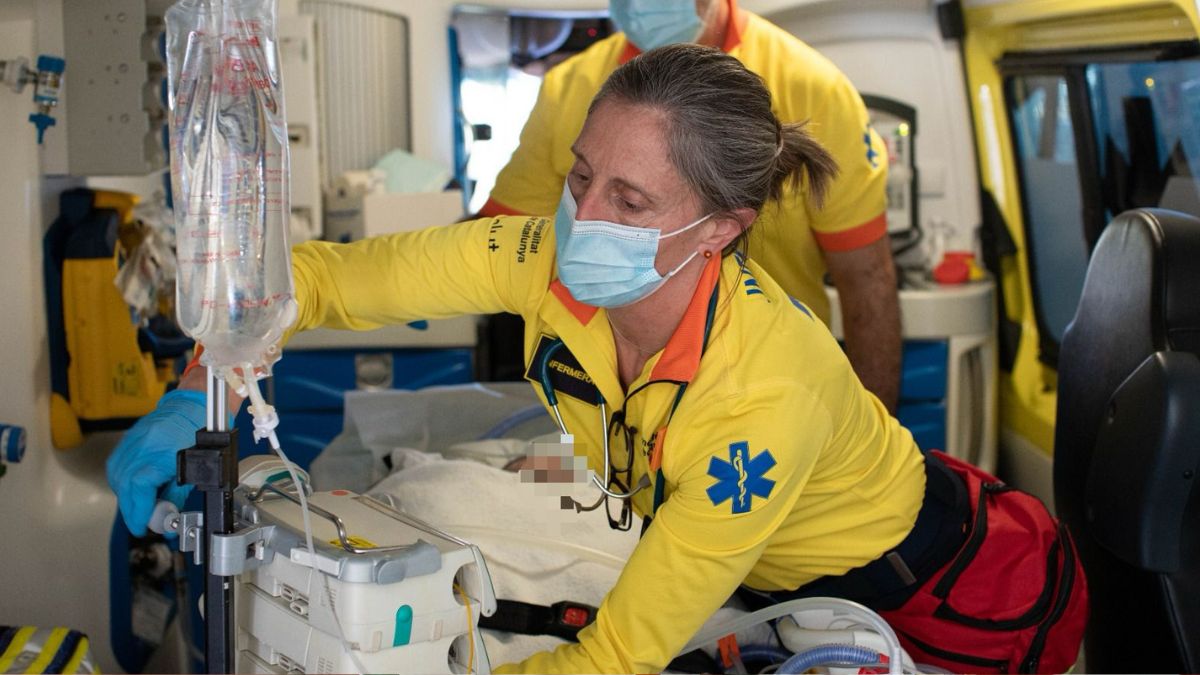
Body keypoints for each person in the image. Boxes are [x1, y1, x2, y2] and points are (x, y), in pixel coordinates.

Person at [108, 46, 945, 673]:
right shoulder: (540, 255)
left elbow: (613, 658)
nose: (583, 219)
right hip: (724, 557)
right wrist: (201, 387)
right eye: (581, 177)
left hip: (895, 583)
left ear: (722, 228)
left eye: (630, 200)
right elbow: (324, 281)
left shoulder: (765, 396)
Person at [481, 0, 902, 412]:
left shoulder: (813, 89)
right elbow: (500, 245)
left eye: (630, 200)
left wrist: (873, 428)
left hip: (769, 391)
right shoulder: (567, 88)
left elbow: (866, 279)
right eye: (583, 176)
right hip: (609, 398)